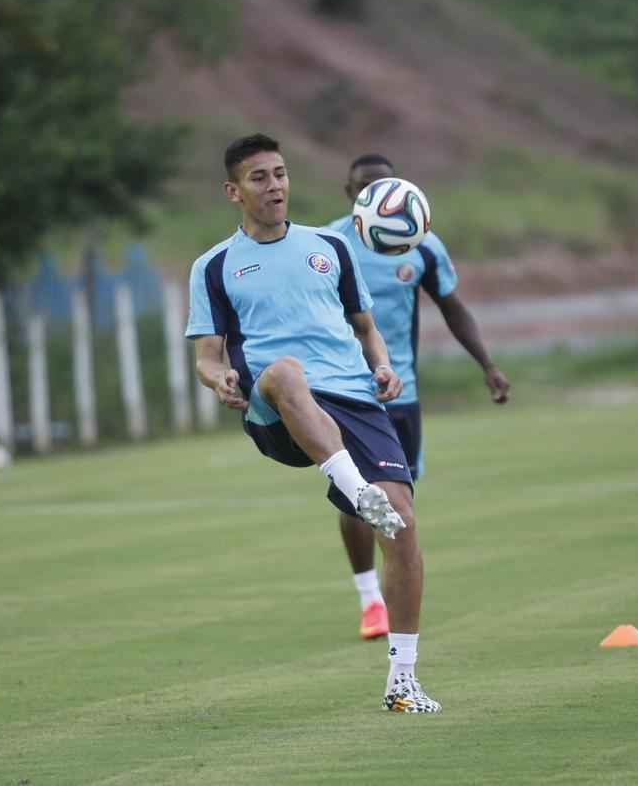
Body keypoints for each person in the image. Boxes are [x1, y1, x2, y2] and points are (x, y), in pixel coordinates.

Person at [185, 133, 440, 712]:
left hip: (354, 398)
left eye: (280, 174)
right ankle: (354, 489)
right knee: (283, 371)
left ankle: (403, 682)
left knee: (402, 524)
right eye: (259, 178)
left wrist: (382, 367)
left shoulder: (331, 246)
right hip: (277, 407)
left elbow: (366, 327)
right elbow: (206, 354)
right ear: (233, 190)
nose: (274, 186)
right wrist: (217, 378)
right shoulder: (215, 266)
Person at [324, 154, 509, 639]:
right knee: (354, 500)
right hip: (344, 392)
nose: (377, 194)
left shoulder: (422, 246)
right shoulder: (327, 245)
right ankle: (370, 601)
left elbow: (452, 307)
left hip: (400, 393)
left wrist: (486, 365)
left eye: (385, 185)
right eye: (366, 187)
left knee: (399, 504)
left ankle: (393, 597)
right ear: (350, 192)